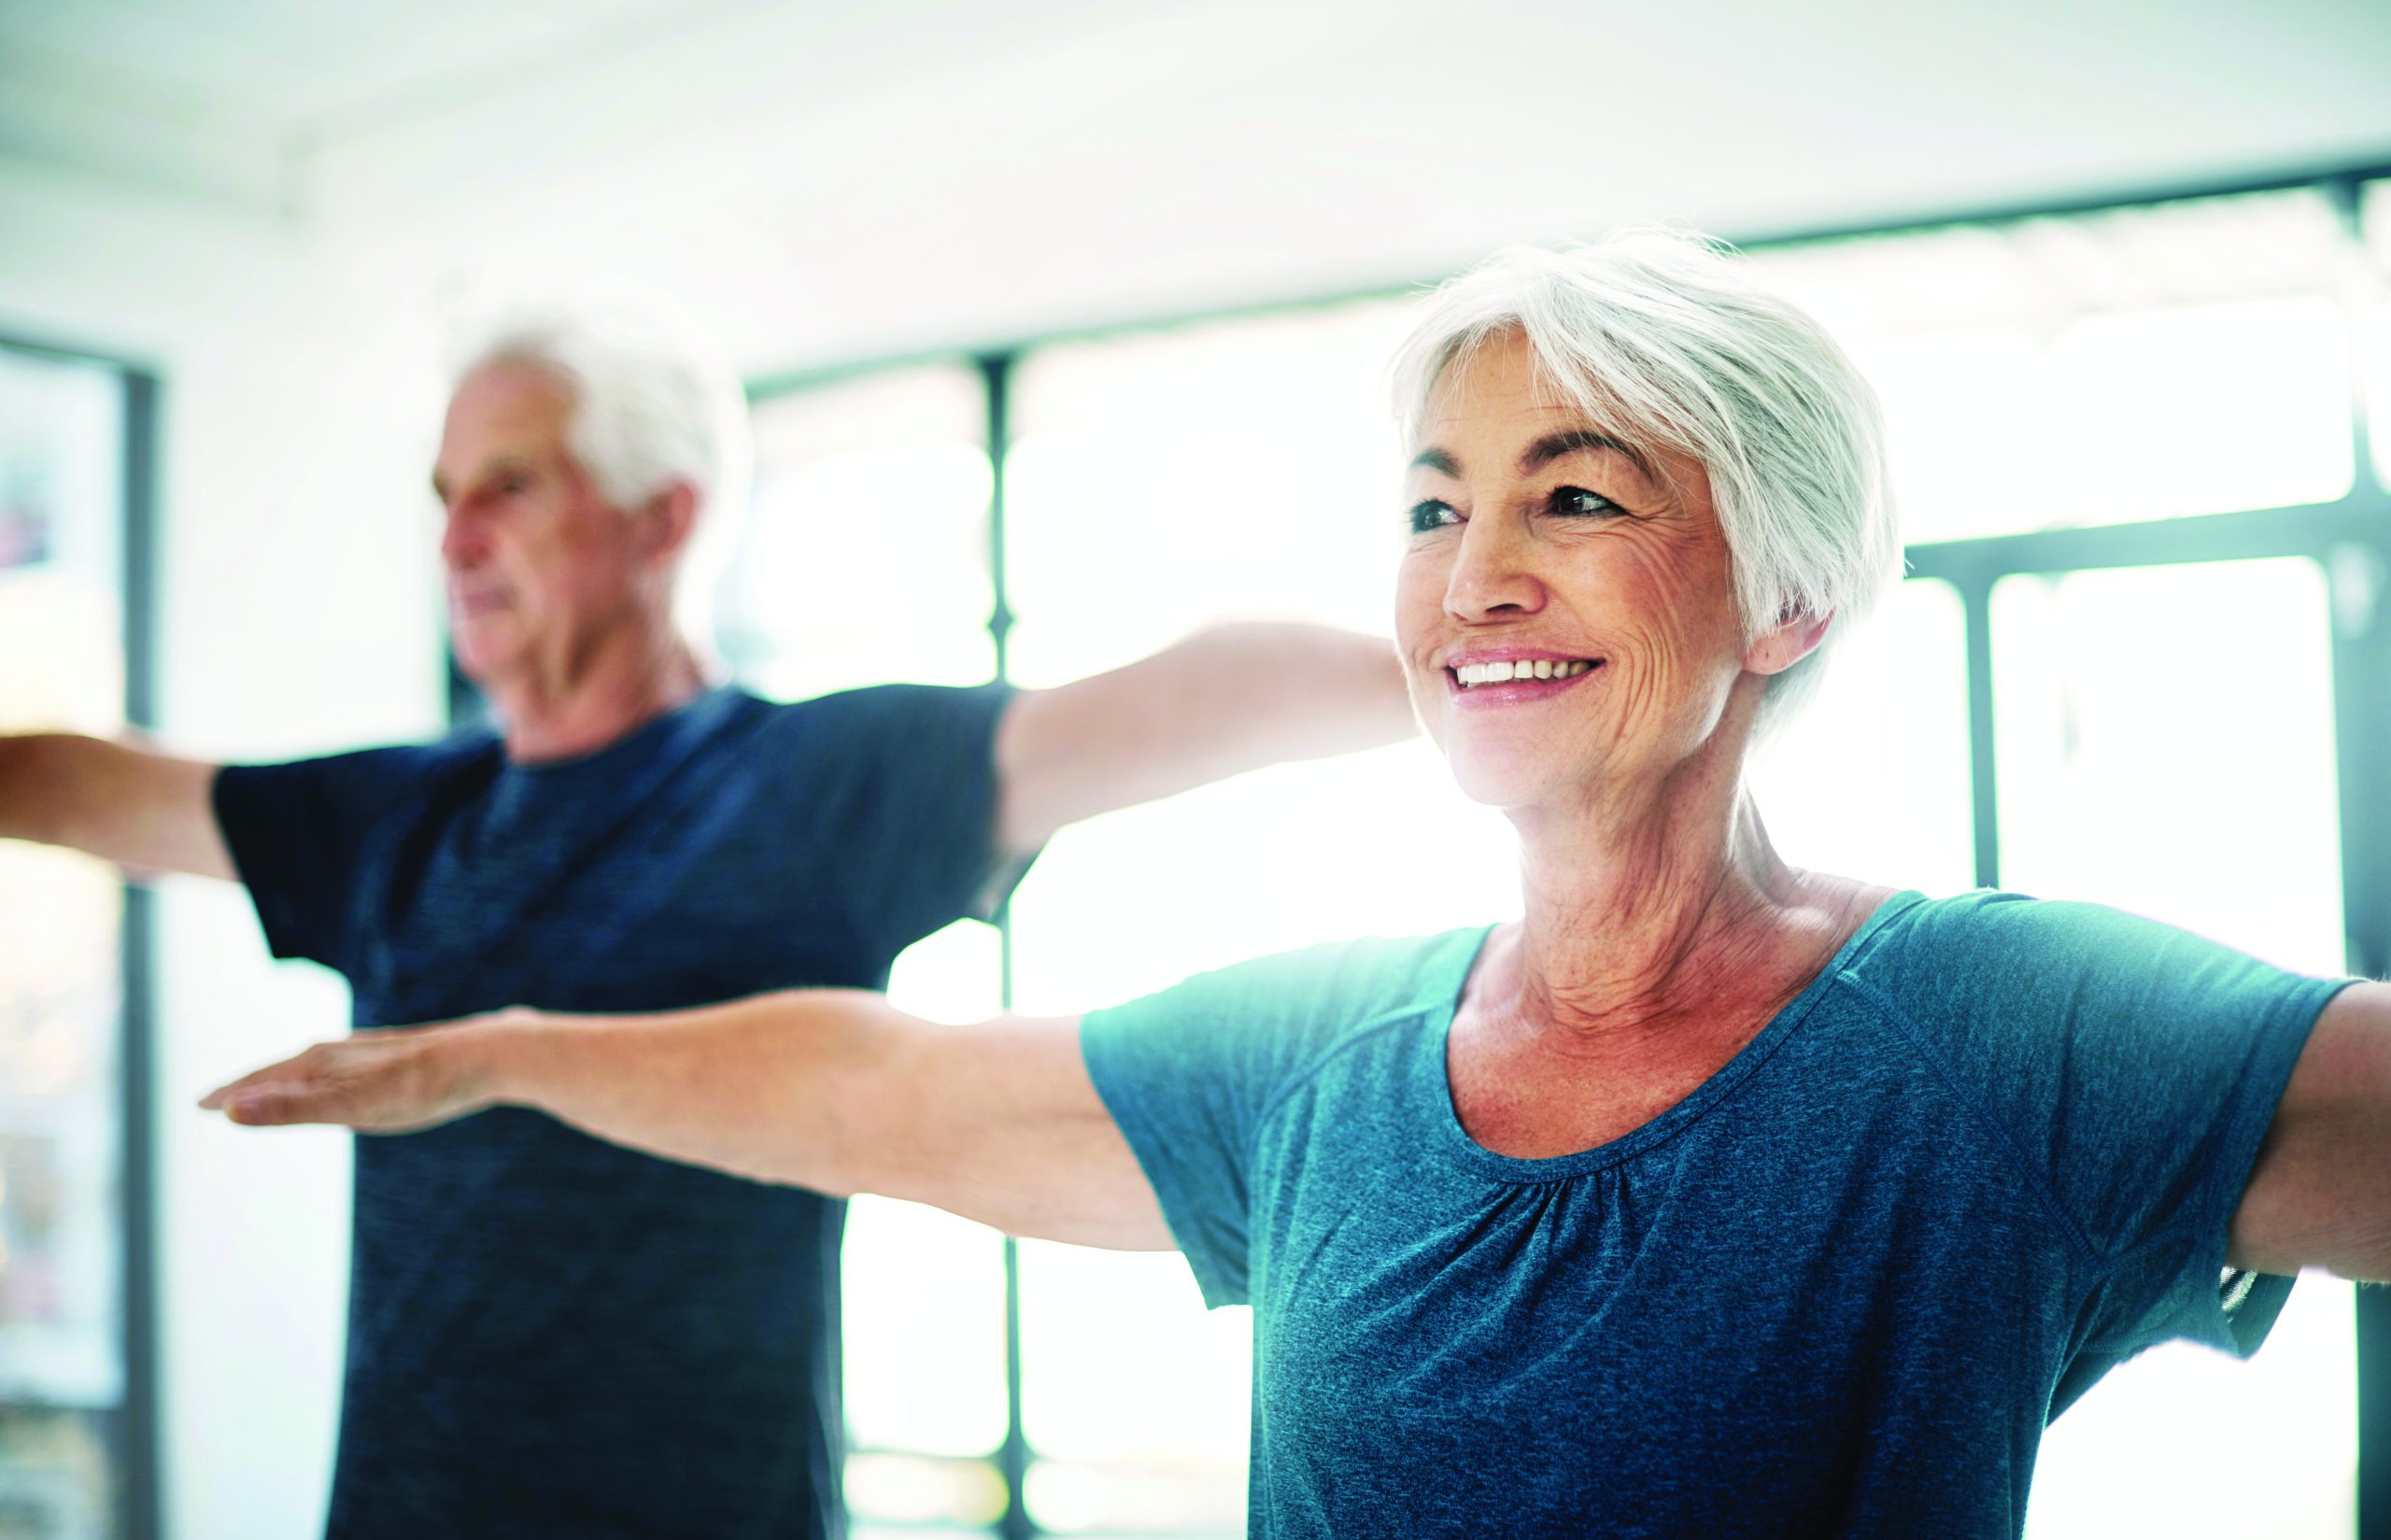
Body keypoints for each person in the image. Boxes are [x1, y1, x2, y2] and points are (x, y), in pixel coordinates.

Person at [201, 234, 2389, 1539]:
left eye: (1575, 492)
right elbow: (876, 1088)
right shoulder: (1331, 1057)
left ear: (1787, 598)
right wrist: (496, 1052)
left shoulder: (2001, 1041)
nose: (1476, 571)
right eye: (1433, 508)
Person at [0, 310, 1418, 1540]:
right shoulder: (396, 821)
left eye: (509, 484)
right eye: (443, 494)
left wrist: (1503, 672)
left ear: (661, 516)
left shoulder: (809, 785)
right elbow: (73, 782)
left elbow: (1192, 692)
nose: (455, 538)